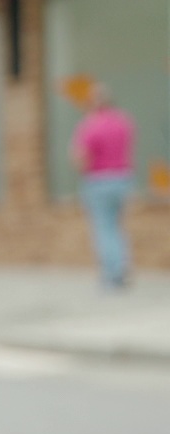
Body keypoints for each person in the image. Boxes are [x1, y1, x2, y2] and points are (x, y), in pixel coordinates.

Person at [71, 83, 137, 290]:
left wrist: (82, 171)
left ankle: (112, 274)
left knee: (104, 228)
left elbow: (80, 157)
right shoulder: (124, 121)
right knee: (116, 226)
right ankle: (122, 266)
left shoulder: (91, 125)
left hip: (99, 180)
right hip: (122, 178)